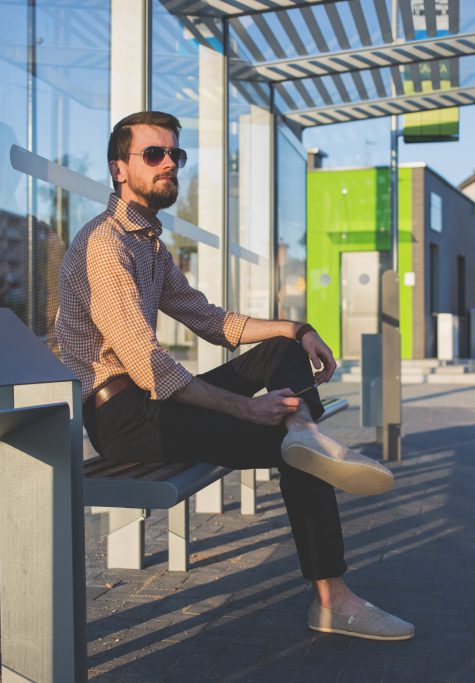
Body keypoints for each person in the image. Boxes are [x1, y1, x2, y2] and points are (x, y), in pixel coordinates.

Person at [56, 111, 413, 641]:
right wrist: (249, 409)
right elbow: (149, 364)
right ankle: (332, 597)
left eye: (176, 155)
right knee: (293, 444)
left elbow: (213, 322)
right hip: (123, 418)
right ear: (118, 169)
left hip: (154, 403)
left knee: (280, 354)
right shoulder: (104, 247)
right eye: (153, 155)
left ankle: (306, 436)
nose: (169, 165)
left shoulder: (148, 243)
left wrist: (298, 327)